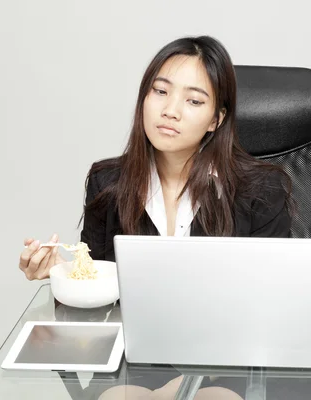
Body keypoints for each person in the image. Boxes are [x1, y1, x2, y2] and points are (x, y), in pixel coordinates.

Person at [18, 35, 293, 400]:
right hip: (139, 362)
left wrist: (190, 383)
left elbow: (273, 309)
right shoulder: (108, 183)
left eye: (193, 100)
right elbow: (98, 306)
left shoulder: (262, 191)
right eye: (160, 92)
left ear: (216, 120)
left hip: (231, 366)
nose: (171, 110)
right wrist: (59, 272)